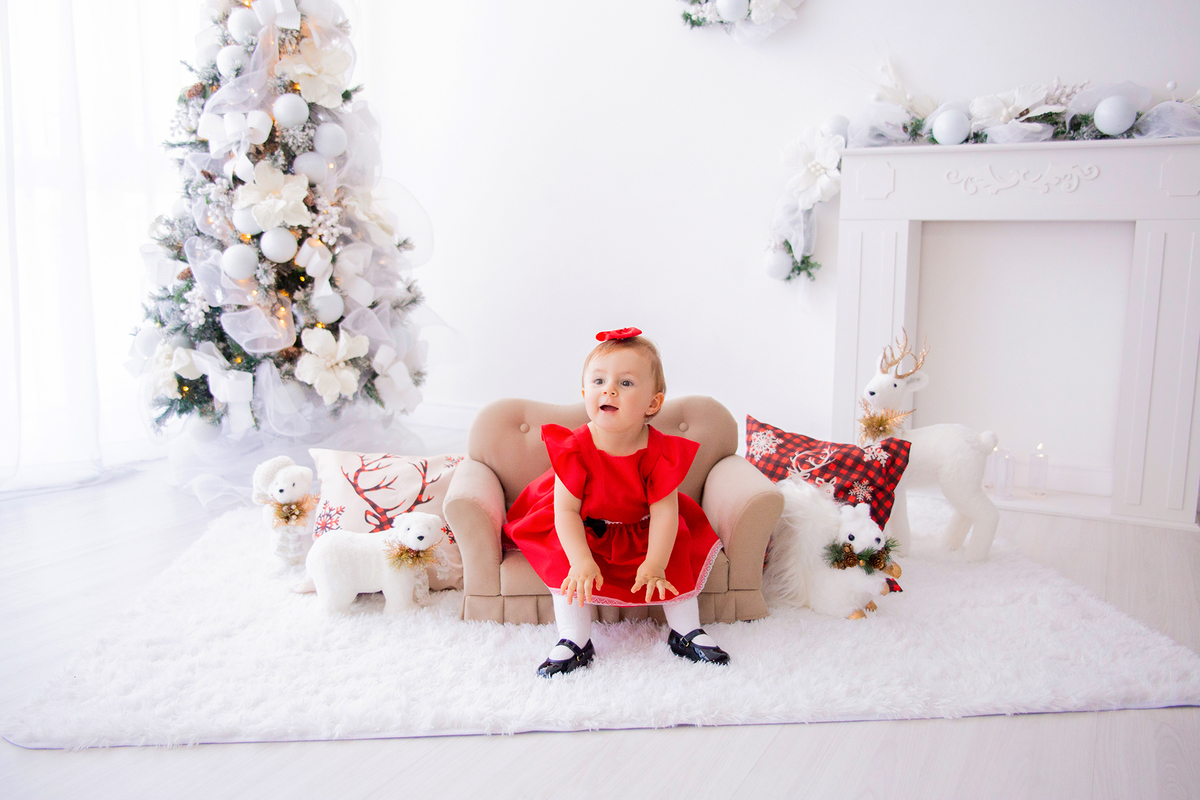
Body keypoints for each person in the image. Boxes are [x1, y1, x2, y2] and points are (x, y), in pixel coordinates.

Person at [503, 327, 729, 677]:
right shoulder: (575, 447)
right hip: (583, 525)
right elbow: (565, 511)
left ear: (652, 403)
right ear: (584, 393)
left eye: (625, 383)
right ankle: (574, 639)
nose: (608, 389)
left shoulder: (660, 451)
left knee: (676, 546)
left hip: (643, 526)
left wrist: (655, 562)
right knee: (564, 560)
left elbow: (665, 512)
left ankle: (686, 630)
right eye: (598, 381)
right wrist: (581, 560)